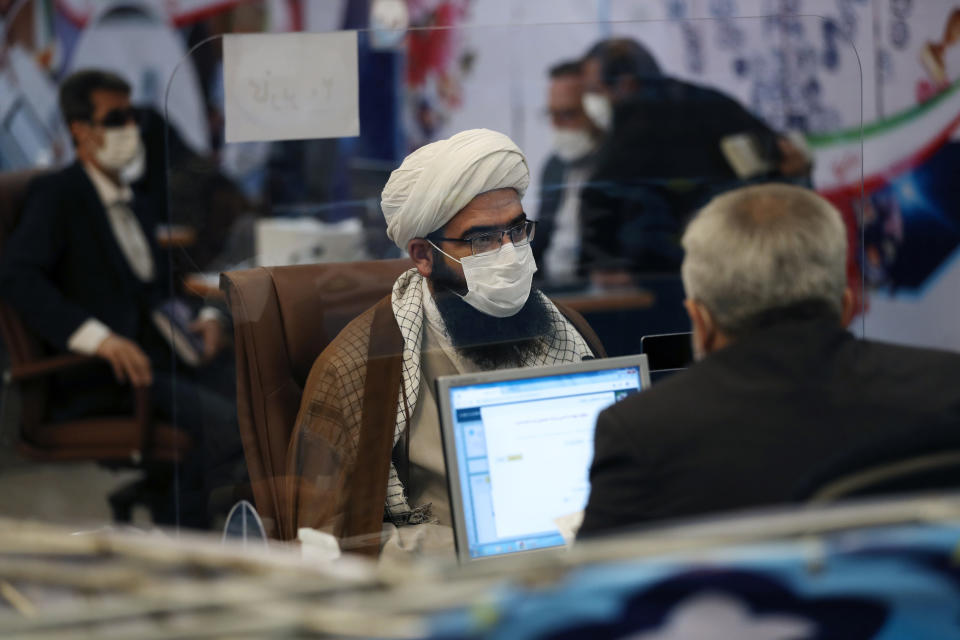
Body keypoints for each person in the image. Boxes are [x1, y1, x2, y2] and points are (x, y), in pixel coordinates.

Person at [287, 128, 606, 556]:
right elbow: (326, 546)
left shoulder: (570, 331)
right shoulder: (363, 367)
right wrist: (470, 553)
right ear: (423, 255)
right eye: (482, 239)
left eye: (517, 230)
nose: (509, 254)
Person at [579, 183, 960, 537]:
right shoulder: (947, 388)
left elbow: (586, 596)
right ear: (847, 307)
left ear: (702, 322)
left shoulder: (639, 431)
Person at [0, 70, 244, 528]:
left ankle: (209, 522)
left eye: (132, 116)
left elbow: (161, 288)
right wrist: (99, 340)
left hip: (164, 355)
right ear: (80, 130)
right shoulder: (58, 195)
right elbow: (17, 278)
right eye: (115, 118)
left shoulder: (134, 198)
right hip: (106, 375)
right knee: (229, 426)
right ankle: (190, 548)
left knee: (261, 392)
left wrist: (209, 317)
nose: (130, 128)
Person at [578, 38, 812, 288]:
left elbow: (600, 201)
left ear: (625, 83)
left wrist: (600, 265)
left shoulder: (632, 125)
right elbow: (786, 162)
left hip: (658, 279)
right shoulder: (712, 103)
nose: (589, 102)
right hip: (741, 264)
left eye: (594, 91)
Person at [533, 60, 603, 283]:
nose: (557, 126)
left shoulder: (617, 167)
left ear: (598, 110)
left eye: (568, 114)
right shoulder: (554, 166)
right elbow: (542, 236)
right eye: (552, 115)